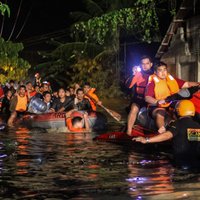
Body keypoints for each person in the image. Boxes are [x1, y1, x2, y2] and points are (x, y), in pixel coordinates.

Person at [133, 100, 200, 168]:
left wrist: (146, 140)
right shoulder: (197, 125)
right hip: (195, 163)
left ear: (178, 111)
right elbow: (192, 141)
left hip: (181, 162)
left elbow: (167, 135)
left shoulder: (178, 123)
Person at [145, 61, 199, 133]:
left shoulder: (172, 79)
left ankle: (191, 131)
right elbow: (147, 97)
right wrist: (157, 102)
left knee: (186, 108)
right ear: (155, 72)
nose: (163, 72)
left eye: (164, 69)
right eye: (160, 70)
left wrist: (198, 84)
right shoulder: (151, 83)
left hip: (171, 102)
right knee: (160, 112)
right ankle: (162, 131)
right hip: (158, 105)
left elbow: (187, 84)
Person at [126, 56, 154, 136]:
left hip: (151, 99)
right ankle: (129, 131)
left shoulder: (155, 74)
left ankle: (156, 130)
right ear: (140, 65)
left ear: (151, 64)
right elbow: (128, 85)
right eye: (143, 64)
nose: (145, 65)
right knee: (134, 108)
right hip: (139, 98)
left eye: (147, 63)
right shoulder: (137, 74)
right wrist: (133, 74)